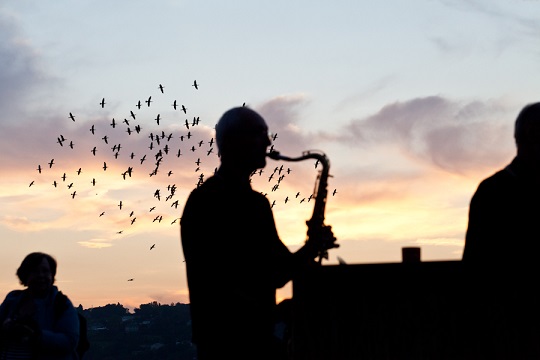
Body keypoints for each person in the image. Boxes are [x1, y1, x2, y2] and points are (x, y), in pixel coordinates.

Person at [180, 106, 338, 360]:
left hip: (254, 340)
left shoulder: (257, 204)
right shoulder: (205, 203)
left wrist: (311, 247)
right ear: (233, 142)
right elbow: (216, 284)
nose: (267, 141)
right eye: (259, 133)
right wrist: (276, 313)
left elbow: (278, 272)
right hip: (224, 346)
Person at [461, 102, 540, 358]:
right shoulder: (493, 193)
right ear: (528, 135)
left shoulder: (491, 190)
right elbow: (476, 272)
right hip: (507, 328)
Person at [0, 252, 80, 359]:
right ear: (25, 275)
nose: (41, 275)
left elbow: (69, 341)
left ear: (52, 276)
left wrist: (37, 335)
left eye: (45, 271)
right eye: (35, 271)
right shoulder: (12, 299)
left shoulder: (61, 304)